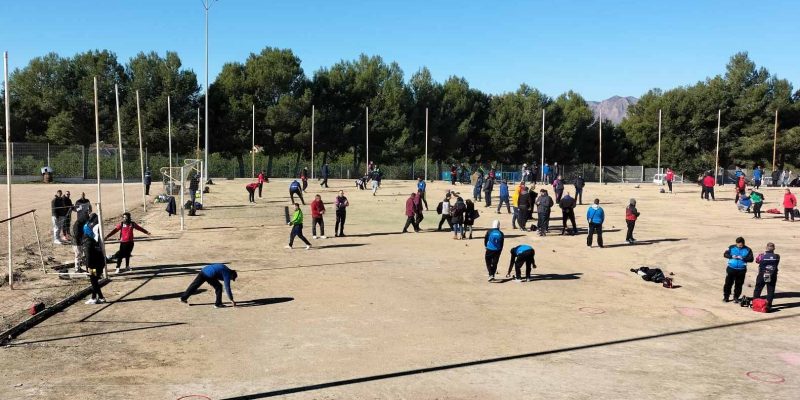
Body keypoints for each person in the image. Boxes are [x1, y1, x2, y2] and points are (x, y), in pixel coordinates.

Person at [83, 213, 106, 304]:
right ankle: (97, 297)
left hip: (93, 265)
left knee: (93, 281)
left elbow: (88, 256)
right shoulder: (95, 242)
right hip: (100, 263)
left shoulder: (87, 243)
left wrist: (88, 267)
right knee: (95, 281)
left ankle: (98, 298)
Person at [723, 237, 754, 303]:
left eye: (741, 245)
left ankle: (736, 297)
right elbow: (725, 254)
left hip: (741, 270)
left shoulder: (748, 249)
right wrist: (731, 256)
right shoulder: (731, 247)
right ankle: (726, 297)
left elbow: (751, 259)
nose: (740, 246)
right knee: (728, 284)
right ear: (736, 243)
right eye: (738, 245)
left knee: (739, 284)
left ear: (743, 243)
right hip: (731, 268)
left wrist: (743, 258)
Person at [752, 242, 780, 311]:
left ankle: (755, 303)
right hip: (772, 274)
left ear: (766, 248)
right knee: (770, 290)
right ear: (774, 248)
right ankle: (769, 305)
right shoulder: (777, 256)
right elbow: (777, 262)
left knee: (758, 289)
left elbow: (757, 261)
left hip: (763, 274)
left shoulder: (762, 255)